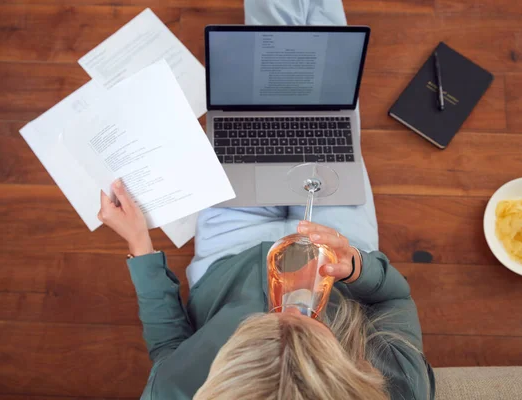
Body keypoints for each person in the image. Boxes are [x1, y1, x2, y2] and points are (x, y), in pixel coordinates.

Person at [98, 1, 435, 399]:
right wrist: (357, 268)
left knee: (259, 89)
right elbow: (395, 295)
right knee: (325, 103)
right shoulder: (401, 386)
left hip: (228, 255)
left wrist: (139, 244)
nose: (290, 303)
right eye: (313, 325)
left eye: (262, 326)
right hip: (336, 249)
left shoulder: (173, 393)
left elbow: (169, 352)